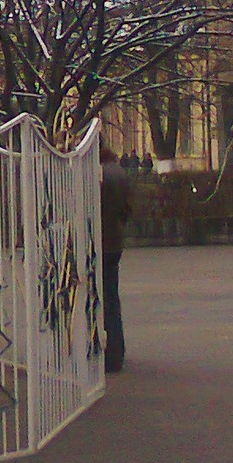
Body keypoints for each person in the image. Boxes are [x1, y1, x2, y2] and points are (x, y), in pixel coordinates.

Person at [100, 143, 132, 373]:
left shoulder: (97, 173)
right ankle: (116, 350)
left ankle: (102, 351)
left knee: (97, 298)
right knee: (111, 297)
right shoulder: (119, 171)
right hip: (114, 241)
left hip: (98, 240)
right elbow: (126, 211)